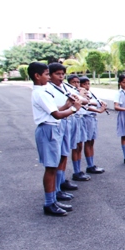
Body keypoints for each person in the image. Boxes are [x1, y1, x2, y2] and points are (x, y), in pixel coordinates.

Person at [28, 62, 81, 216]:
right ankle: (49, 203)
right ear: (37, 76)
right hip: (48, 129)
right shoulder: (40, 93)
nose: (48, 77)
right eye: (46, 74)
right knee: (51, 167)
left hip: (53, 128)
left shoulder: (44, 90)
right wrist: (74, 109)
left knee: (54, 165)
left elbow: (56, 109)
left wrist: (67, 104)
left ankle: (53, 199)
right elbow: (56, 115)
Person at [48, 63, 83, 200]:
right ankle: (55, 189)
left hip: (67, 122)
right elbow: (56, 111)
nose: (61, 77)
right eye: (57, 74)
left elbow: (82, 100)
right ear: (50, 75)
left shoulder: (65, 87)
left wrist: (81, 98)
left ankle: (61, 183)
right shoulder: (48, 89)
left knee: (64, 155)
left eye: (63, 74)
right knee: (56, 158)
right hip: (57, 124)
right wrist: (71, 106)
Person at [79, 77, 107, 174]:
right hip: (86, 118)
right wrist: (98, 107)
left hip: (93, 118)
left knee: (91, 142)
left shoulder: (90, 93)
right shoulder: (81, 95)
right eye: (84, 84)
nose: (87, 86)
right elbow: (87, 106)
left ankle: (91, 164)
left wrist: (102, 103)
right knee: (88, 142)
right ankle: (89, 165)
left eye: (88, 84)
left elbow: (98, 102)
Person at [66, 74, 91, 182]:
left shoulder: (79, 92)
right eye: (74, 82)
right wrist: (81, 94)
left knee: (80, 145)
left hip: (80, 118)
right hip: (73, 118)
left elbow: (87, 101)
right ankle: (76, 171)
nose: (76, 84)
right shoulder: (71, 92)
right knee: (75, 146)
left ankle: (79, 170)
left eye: (77, 82)